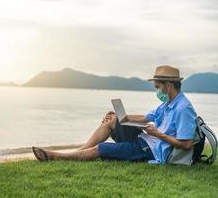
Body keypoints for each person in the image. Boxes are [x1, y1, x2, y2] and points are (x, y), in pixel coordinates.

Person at [32, 65, 197, 164]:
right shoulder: (168, 104)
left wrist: (158, 134)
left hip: (152, 150)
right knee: (112, 121)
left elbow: (186, 144)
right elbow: (146, 117)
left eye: (157, 87)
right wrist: (121, 116)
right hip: (148, 140)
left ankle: (54, 156)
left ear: (168, 86)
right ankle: (81, 149)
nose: (157, 91)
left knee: (100, 149)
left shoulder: (183, 108)